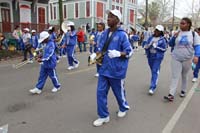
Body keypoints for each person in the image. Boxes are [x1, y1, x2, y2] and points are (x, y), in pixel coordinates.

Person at [93, 9, 133, 127]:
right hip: (104, 69)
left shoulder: (122, 34)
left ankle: (123, 107)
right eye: (108, 16)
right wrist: (95, 55)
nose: (108, 18)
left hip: (117, 70)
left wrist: (119, 53)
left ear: (117, 20)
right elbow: (100, 48)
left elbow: (130, 52)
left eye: (111, 16)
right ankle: (103, 116)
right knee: (100, 93)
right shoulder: (104, 33)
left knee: (118, 93)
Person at [164, 17, 200, 101]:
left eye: (183, 23)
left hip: (187, 58)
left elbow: (197, 46)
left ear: (188, 24)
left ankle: (183, 90)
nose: (180, 25)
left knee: (184, 75)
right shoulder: (177, 33)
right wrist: (174, 37)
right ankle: (171, 94)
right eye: (180, 23)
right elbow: (170, 44)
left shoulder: (194, 34)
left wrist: (196, 56)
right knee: (175, 76)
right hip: (176, 57)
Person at [144, 25, 167, 95]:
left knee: (154, 71)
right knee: (153, 70)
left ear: (161, 32)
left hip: (158, 57)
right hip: (150, 56)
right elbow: (145, 45)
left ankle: (152, 87)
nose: (156, 32)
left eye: (158, 31)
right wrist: (147, 46)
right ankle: (157, 72)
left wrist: (156, 47)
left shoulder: (162, 40)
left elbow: (164, 49)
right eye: (156, 30)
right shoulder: (151, 37)